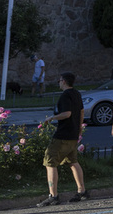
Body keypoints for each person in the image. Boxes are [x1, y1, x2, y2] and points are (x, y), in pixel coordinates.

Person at [37, 72, 88, 206]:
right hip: (73, 134)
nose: (58, 83)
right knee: (73, 161)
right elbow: (81, 111)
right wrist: (79, 127)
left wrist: (51, 118)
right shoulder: (76, 93)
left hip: (63, 135)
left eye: (59, 80)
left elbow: (67, 114)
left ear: (64, 81)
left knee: (50, 162)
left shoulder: (65, 95)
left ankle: (53, 196)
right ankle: (82, 191)